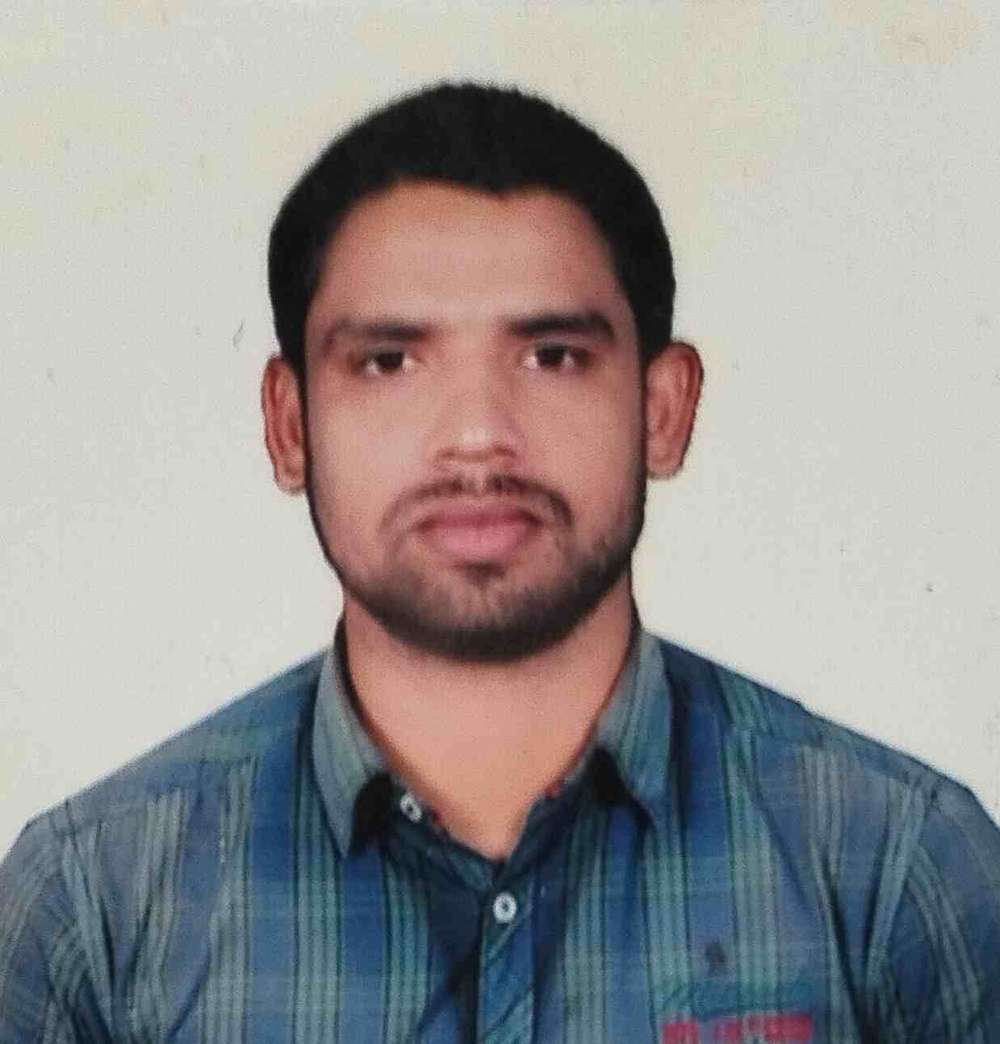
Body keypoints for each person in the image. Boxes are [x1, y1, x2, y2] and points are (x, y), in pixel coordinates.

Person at [1, 82, 997, 1044]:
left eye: (552, 356)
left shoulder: (897, 868)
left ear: (663, 410)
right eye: (389, 362)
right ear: (289, 424)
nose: (477, 435)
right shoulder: (93, 903)